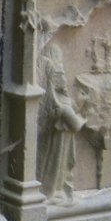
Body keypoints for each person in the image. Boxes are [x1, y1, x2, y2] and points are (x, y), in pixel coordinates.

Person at [39, 50, 85, 203]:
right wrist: (86, 117)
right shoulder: (61, 105)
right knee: (57, 165)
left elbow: (74, 108)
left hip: (64, 139)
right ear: (56, 81)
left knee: (61, 166)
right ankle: (50, 192)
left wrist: (83, 103)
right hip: (60, 142)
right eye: (62, 76)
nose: (66, 79)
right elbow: (76, 125)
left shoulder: (62, 100)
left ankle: (55, 190)